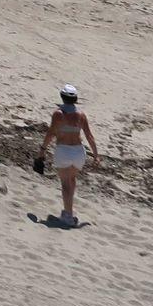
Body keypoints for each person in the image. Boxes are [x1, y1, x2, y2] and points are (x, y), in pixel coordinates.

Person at [38, 85, 100, 223]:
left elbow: (51, 133)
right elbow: (89, 136)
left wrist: (43, 149)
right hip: (78, 152)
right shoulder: (81, 114)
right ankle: (69, 211)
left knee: (65, 183)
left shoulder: (58, 114)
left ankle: (68, 215)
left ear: (62, 97)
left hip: (64, 150)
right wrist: (96, 155)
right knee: (72, 180)